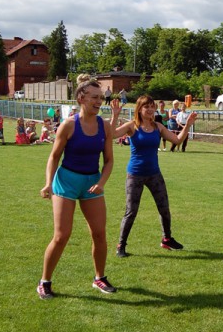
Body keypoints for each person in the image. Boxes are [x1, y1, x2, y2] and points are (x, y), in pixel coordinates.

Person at [37, 75, 117, 300]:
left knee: (99, 234)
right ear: (81, 98)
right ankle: (45, 282)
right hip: (66, 182)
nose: (99, 101)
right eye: (94, 97)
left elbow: (109, 160)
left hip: (91, 183)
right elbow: (54, 157)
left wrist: (101, 183)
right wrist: (48, 183)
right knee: (62, 235)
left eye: (101, 98)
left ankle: (99, 278)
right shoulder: (69, 125)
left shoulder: (105, 126)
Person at [110, 95, 197, 258]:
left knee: (164, 208)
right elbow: (112, 134)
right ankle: (121, 244)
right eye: (146, 107)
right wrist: (115, 115)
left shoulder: (158, 127)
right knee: (131, 211)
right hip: (135, 175)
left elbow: (177, 140)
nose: (150, 109)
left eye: (152, 106)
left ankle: (167, 239)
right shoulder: (132, 126)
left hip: (154, 174)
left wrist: (188, 126)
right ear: (139, 109)